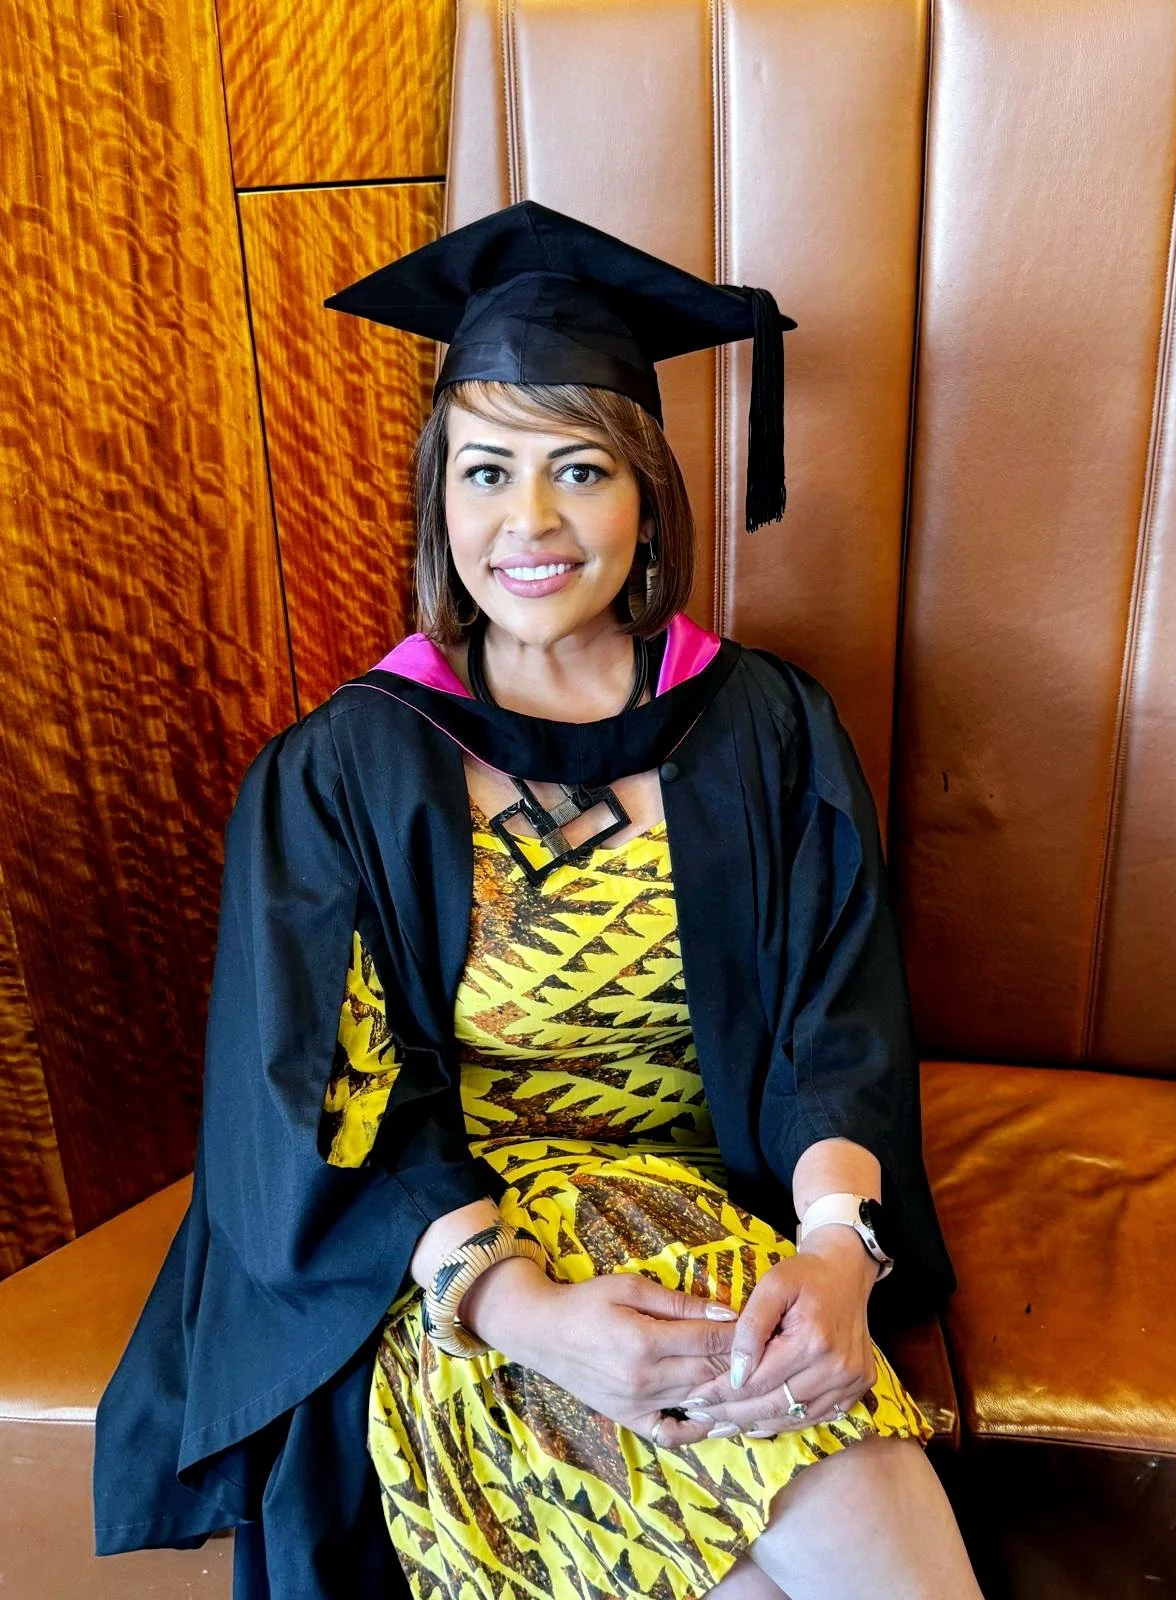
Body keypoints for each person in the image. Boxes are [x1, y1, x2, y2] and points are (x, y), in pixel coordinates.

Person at [94, 202, 981, 1599]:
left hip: (715, 1224)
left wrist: (835, 1249)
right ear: (439, 504)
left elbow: (838, 1021)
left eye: (580, 469)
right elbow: (323, 1093)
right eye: (486, 472)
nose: (531, 522)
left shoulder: (762, 728)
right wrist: (522, 1312)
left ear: (648, 496)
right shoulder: (344, 772)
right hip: (457, 1265)